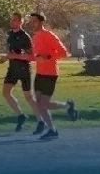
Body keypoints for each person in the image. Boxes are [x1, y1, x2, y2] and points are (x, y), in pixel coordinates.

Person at [27, 12, 79, 140]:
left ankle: (66, 109)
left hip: (50, 74)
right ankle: (53, 128)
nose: (31, 23)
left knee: (44, 104)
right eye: (31, 21)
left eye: (34, 21)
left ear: (41, 22)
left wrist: (48, 57)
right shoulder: (35, 37)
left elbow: (64, 53)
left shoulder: (49, 35)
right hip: (39, 73)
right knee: (39, 104)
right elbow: (36, 56)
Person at [0, 11, 35, 132]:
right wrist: (6, 57)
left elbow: (31, 56)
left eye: (14, 20)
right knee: (6, 93)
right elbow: (12, 52)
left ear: (20, 22)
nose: (11, 22)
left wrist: (13, 56)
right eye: (11, 19)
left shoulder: (25, 37)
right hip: (12, 69)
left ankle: (42, 119)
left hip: (24, 70)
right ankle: (21, 115)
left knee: (28, 97)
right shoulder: (10, 35)